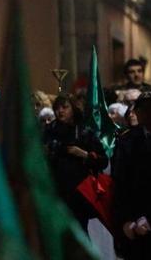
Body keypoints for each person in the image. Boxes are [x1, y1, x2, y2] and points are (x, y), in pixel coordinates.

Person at [111, 91, 151, 260]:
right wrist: (125, 220)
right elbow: (120, 183)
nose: (146, 113)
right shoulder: (127, 139)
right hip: (132, 212)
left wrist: (150, 217)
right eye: (142, 109)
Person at [43, 95, 108, 228]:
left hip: (79, 194)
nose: (60, 111)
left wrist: (83, 154)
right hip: (56, 192)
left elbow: (103, 161)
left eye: (65, 107)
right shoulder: (49, 131)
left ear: (73, 109)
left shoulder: (84, 132)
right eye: (57, 108)